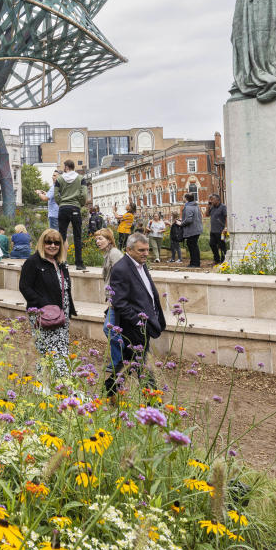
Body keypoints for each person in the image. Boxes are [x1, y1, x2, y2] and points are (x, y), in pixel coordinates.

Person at [105, 232, 166, 395]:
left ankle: (110, 390)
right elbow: (119, 302)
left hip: (144, 324)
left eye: (147, 250)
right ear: (129, 250)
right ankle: (154, 403)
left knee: (128, 361)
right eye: (141, 250)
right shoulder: (121, 269)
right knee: (142, 365)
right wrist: (139, 322)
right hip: (132, 328)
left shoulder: (141, 264)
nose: (146, 253)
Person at [18, 227, 76, 378]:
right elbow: (25, 287)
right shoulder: (33, 262)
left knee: (61, 348)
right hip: (43, 314)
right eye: (48, 242)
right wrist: (43, 305)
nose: (52, 246)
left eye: (56, 243)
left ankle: (60, 384)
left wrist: (69, 309)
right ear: (42, 243)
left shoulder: (61, 263)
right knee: (48, 351)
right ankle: (49, 384)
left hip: (61, 314)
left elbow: (66, 288)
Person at [93, 227, 124, 379]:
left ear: (109, 239)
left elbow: (123, 275)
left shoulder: (115, 254)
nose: (98, 242)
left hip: (118, 299)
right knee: (113, 329)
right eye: (96, 239)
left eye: (100, 239)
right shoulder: (108, 254)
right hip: (113, 299)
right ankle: (118, 360)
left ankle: (121, 359)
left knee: (109, 329)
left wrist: (117, 297)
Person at [52, 161, 88, 270]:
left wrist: (61, 203)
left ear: (66, 167)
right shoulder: (81, 178)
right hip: (75, 208)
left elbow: (56, 194)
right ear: (73, 167)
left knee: (61, 236)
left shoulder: (59, 179)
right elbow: (84, 194)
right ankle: (79, 263)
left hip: (63, 208)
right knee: (77, 236)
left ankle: (61, 261)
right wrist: (79, 204)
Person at [181, 193, 202, 268]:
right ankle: (195, 262)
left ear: (186, 199)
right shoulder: (196, 206)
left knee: (192, 247)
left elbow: (189, 220)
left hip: (191, 230)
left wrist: (181, 223)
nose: (183, 199)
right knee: (194, 246)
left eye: (183, 197)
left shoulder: (188, 207)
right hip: (197, 229)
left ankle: (194, 263)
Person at [208, 194, 228, 265]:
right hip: (213, 230)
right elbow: (207, 214)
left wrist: (226, 227)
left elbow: (226, 217)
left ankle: (223, 260)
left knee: (222, 246)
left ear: (218, 200)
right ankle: (216, 259)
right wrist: (209, 206)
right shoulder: (212, 207)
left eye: (213, 199)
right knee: (212, 244)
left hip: (220, 230)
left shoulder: (223, 207)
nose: (211, 201)